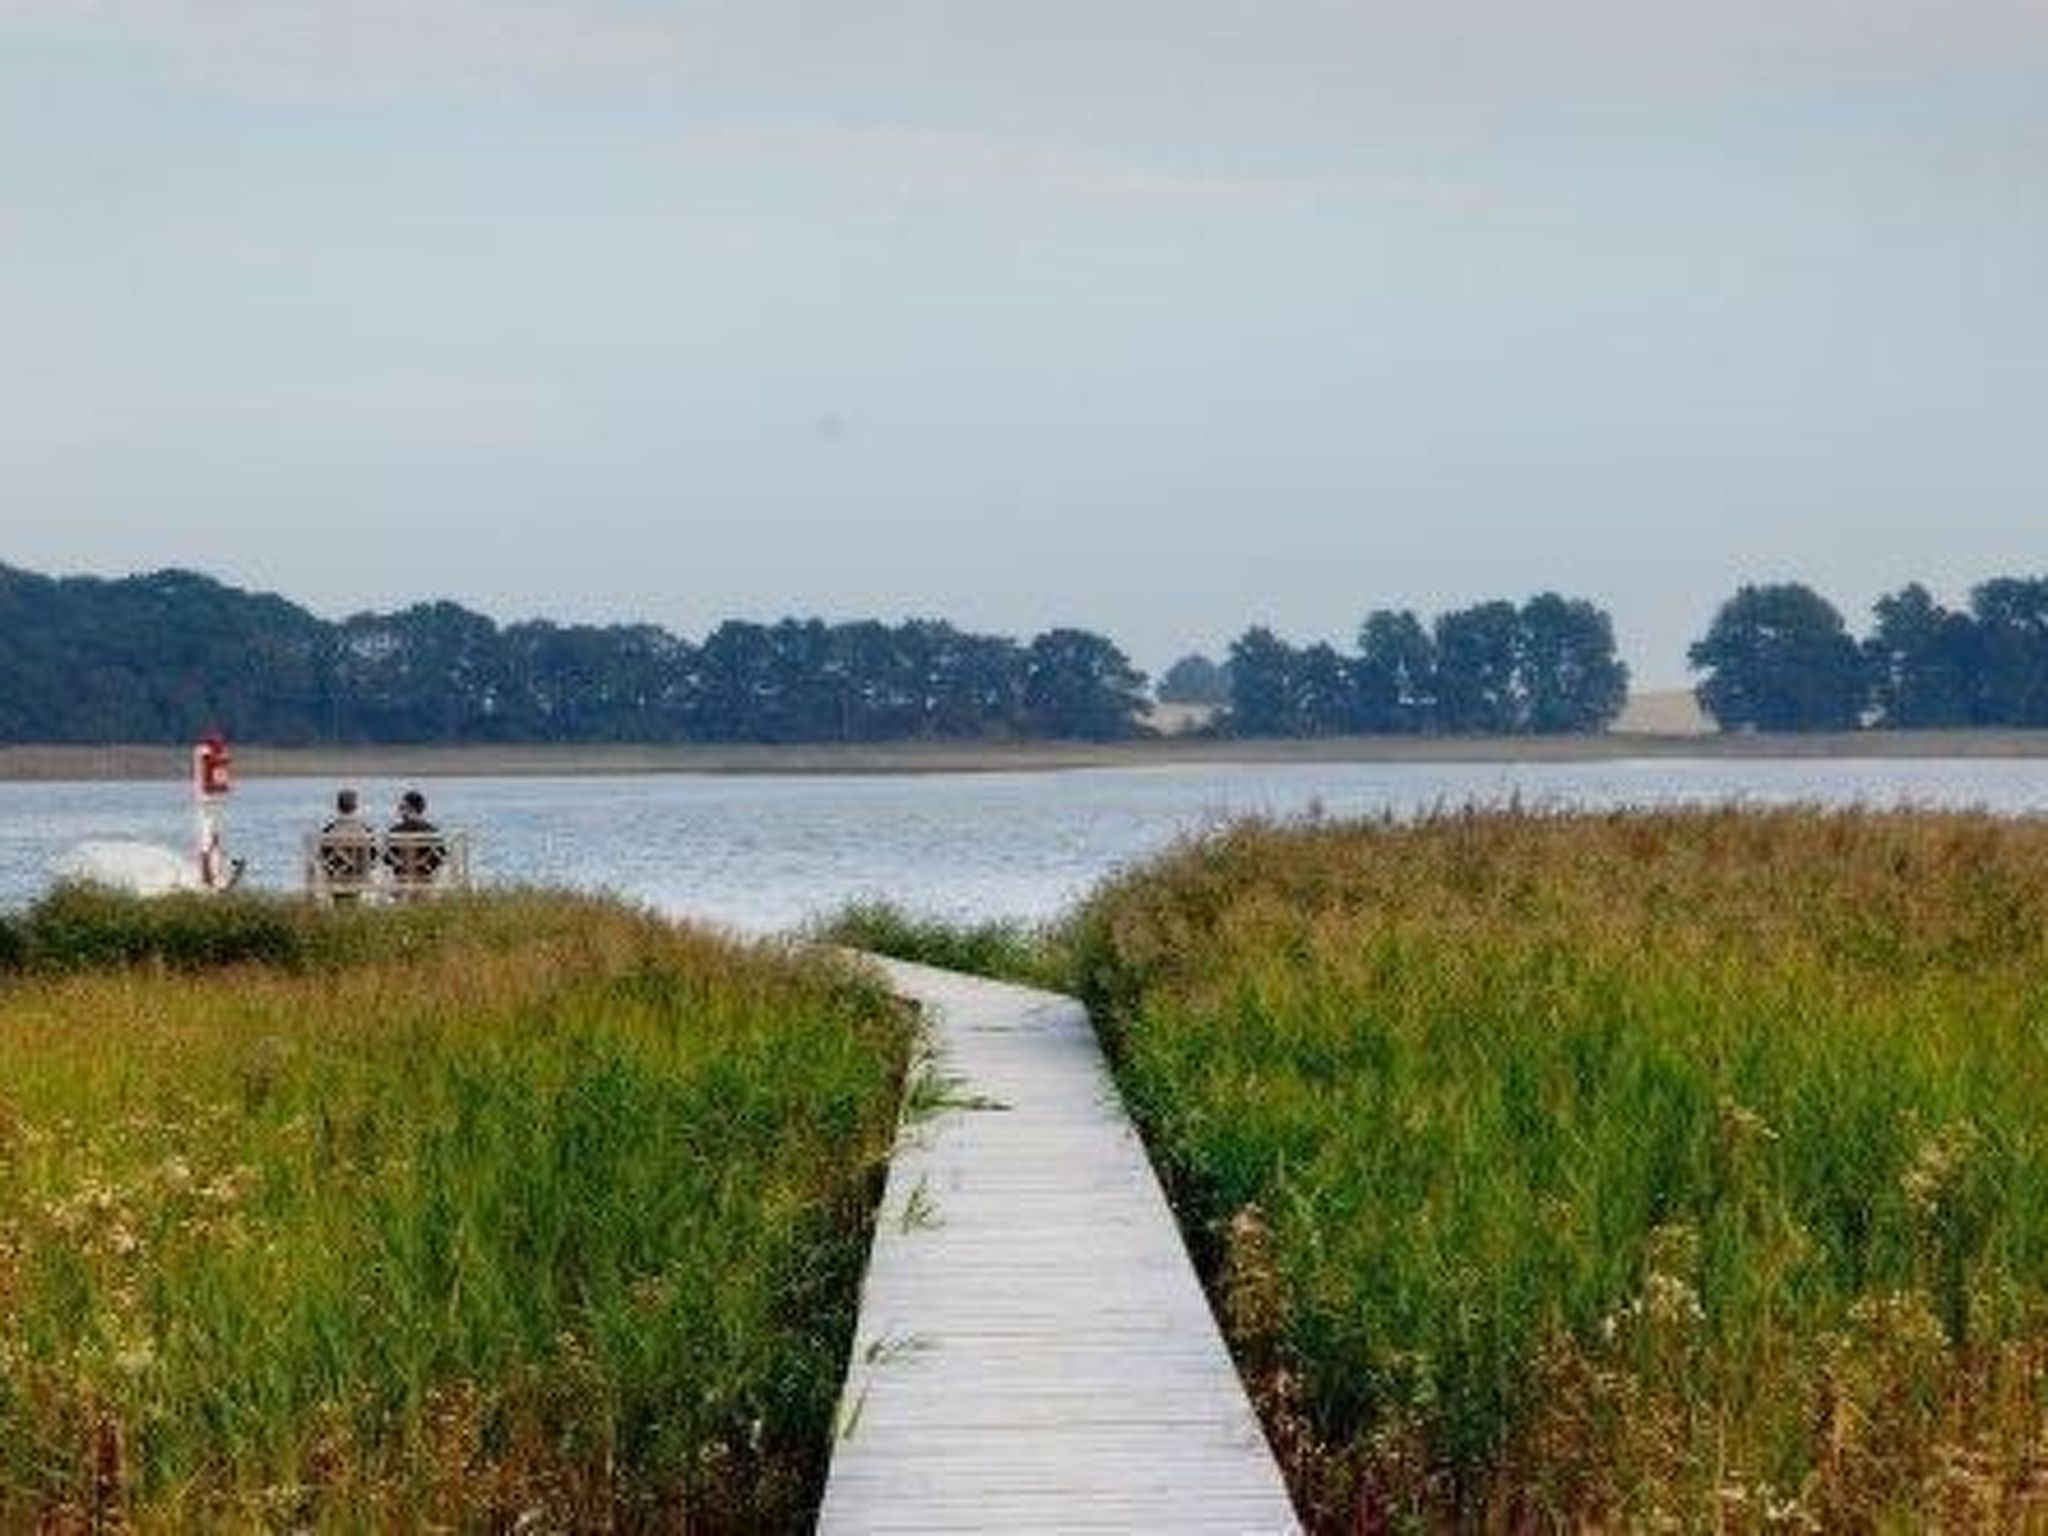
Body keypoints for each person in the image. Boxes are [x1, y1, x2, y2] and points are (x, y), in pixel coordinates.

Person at [313, 787, 377, 903]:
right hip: (359, 877)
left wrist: (332, 870)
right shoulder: (365, 831)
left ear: (338, 807)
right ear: (355, 807)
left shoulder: (328, 831)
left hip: (335, 877)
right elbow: (373, 857)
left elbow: (321, 857)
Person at [384, 788, 449, 895]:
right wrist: (422, 865)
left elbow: (386, 859)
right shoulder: (432, 831)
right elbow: (440, 857)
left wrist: (402, 865)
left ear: (410, 808)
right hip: (425, 879)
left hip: (401, 879)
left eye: (402, 807)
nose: (399, 810)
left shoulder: (395, 831)